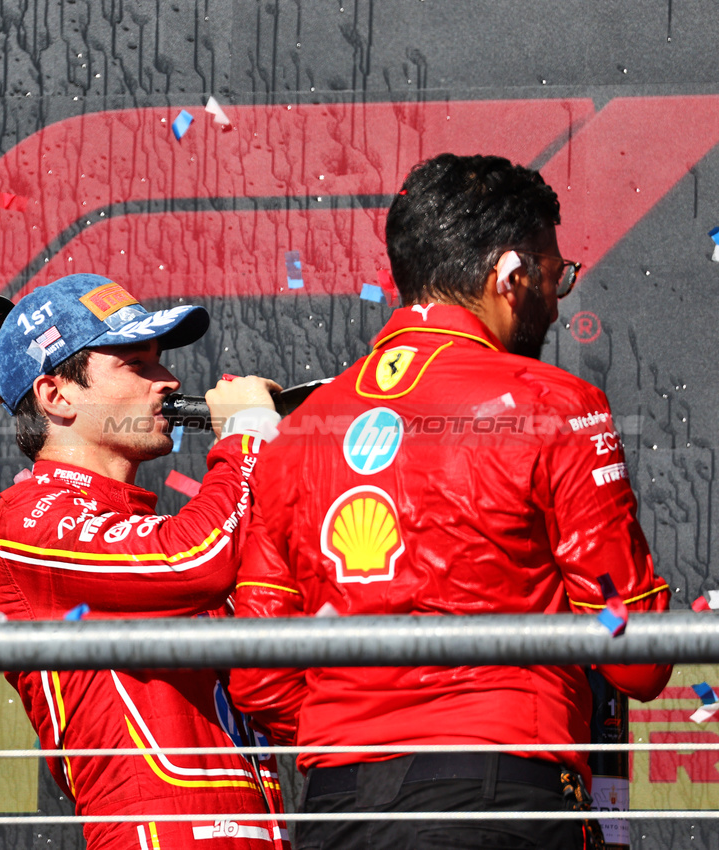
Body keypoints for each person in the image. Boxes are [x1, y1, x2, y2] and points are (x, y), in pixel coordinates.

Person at [230, 153, 673, 850]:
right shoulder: (553, 404)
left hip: (336, 806)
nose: (555, 301)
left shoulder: (297, 434)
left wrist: (359, 726)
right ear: (508, 275)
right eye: (553, 276)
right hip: (497, 791)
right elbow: (636, 659)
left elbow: (259, 678)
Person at [0, 272, 289, 849]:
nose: (168, 381)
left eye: (161, 361)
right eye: (136, 364)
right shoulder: (23, 517)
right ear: (57, 396)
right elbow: (194, 562)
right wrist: (248, 434)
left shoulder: (161, 529)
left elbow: (280, 689)